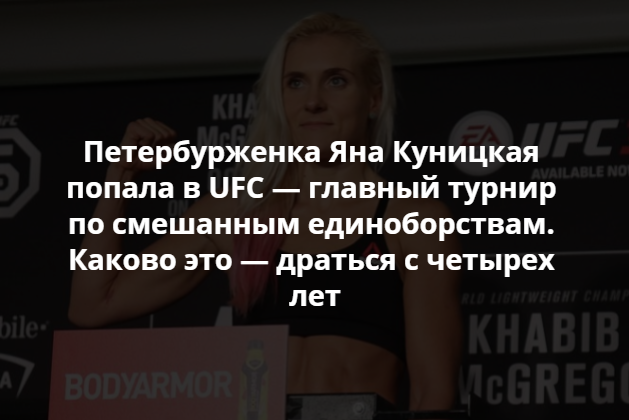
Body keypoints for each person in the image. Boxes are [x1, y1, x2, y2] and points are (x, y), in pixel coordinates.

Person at [69, 12, 461, 410]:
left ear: (373, 98)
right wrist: (120, 176)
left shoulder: (413, 219)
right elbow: (92, 305)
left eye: (336, 81)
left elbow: (433, 393)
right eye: (295, 83)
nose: (313, 102)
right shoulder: (239, 210)